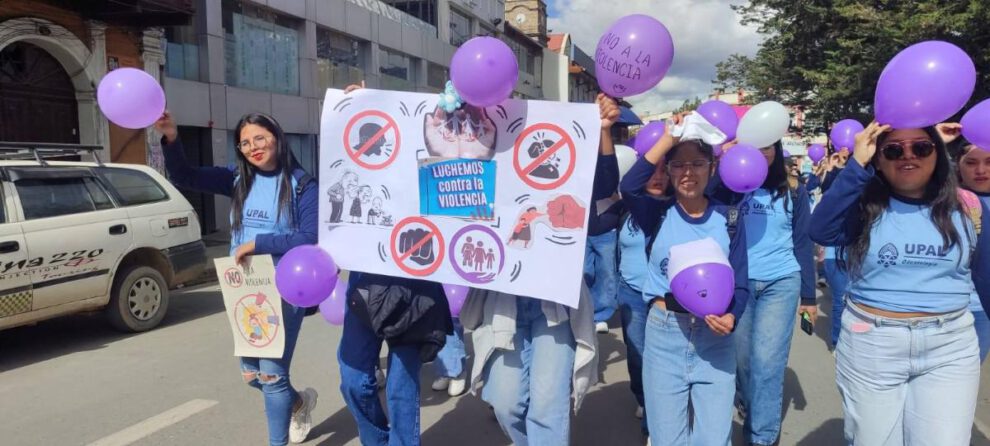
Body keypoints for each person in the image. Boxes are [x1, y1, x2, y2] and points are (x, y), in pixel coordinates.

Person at [810, 122, 990, 445]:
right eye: (893, 150)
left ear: (938, 154)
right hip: (873, 344)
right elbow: (820, 229)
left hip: (949, 346)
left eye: (921, 148)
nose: (908, 156)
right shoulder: (863, 206)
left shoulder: (967, 208)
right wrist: (856, 163)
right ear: (878, 159)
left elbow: (986, 278)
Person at [456, 95, 617, 446]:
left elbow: (604, 187)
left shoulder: (566, 178)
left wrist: (602, 131)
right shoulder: (488, 167)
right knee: (504, 402)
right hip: (505, 302)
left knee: (547, 409)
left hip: (553, 304)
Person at [155, 111, 319, 446]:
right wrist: (172, 138)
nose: (253, 147)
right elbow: (185, 175)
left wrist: (258, 243)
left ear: (277, 136)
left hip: (284, 287)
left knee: (272, 375)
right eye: (245, 143)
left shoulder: (302, 184)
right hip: (243, 288)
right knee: (251, 375)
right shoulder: (237, 178)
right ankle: (299, 401)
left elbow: (310, 236)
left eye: (259, 138)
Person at [620, 123, 750, 445]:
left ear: (712, 168)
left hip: (714, 341)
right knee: (668, 440)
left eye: (697, 163)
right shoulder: (657, 213)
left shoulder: (729, 218)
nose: (687, 172)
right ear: (668, 169)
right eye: (678, 164)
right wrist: (668, 139)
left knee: (714, 439)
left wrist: (732, 315)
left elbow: (742, 283)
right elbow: (629, 187)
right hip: (665, 335)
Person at [707, 139, 815, 446]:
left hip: (780, 283)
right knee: (742, 360)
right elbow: (708, 198)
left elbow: (803, 243)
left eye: (768, 146)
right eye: (755, 146)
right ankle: (749, 403)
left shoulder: (793, 188)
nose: (761, 153)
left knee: (767, 363)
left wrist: (808, 298)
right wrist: (723, 163)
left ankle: (762, 437)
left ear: (777, 150)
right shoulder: (732, 184)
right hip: (739, 284)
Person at [616, 153, 669, 435]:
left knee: (658, 360)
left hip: (664, 299)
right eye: (651, 171)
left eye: (664, 171)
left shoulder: (675, 208)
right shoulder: (625, 209)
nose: (658, 177)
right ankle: (643, 398)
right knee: (637, 356)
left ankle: (655, 421)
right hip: (630, 293)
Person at [944, 124, 990, 363]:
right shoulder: (943, 201)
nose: (981, 170)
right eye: (971, 163)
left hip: (983, 311)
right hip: (947, 310)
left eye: (989, 162)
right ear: (958, 166)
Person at [584, 96, 625, 332]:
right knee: (583, 272)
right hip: (579, 228)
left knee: (607, 273)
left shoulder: (603, 159)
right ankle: (582, 311)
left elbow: (610, 175)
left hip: (605, 227)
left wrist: (604, 131)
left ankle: (601, 313)